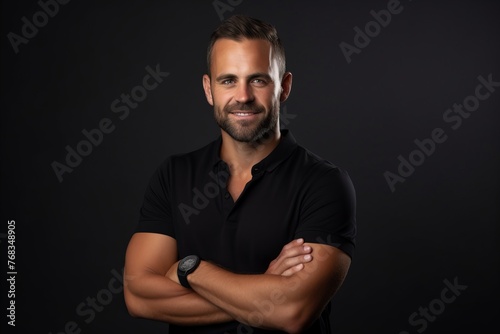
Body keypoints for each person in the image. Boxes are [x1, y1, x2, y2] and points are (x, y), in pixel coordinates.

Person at [124, 14, 356, 334]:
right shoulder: (173, 175)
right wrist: (265, 289)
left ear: (284, 87)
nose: (243, 96)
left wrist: (190, 270)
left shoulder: (324, 184)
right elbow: (139, 297)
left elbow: (292, 310)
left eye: (258, 79)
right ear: (209, 89)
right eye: (228, 80)